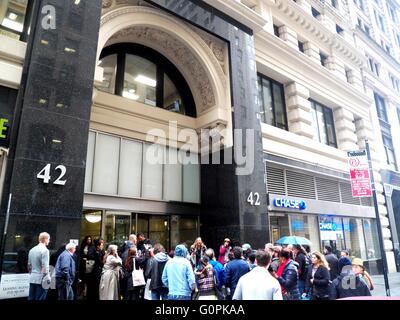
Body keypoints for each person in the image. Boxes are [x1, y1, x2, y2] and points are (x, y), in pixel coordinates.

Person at [27, 232, 50, 300]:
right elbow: (45, 267)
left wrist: (32, 274)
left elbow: (29, 266)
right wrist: (46, 280)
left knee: (31, 298)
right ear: (45, 239)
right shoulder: (45, 250)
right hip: (41, 280)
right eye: (49, 239)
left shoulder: (32, 250)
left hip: (32, 278)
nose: (49, 241)